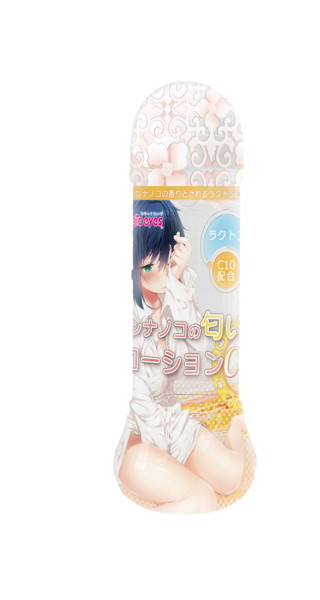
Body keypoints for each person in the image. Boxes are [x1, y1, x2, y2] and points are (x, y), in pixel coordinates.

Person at [113, 200, 247, 513]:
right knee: (202, 497)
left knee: (231, 478)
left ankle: (233, 426)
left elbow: (198, 351)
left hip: (172, 423)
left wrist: (178, 282)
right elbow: (143, 406)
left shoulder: (174, 298)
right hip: (140, 441)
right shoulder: (132, 313)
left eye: (165, 255)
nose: (159, 268)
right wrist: (173, 457)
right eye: (148, 263)